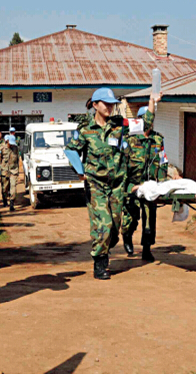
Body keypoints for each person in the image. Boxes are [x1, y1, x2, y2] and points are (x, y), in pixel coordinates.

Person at [65, 88, 144, 280]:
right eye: (106, 103)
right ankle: (100, 262)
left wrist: (152, 102)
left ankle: (105, 249)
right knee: (104, 224)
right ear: (95, 105)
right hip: (96, 185)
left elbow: (144, 124)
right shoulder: (85, 130)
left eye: (112, 104)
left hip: (117, 185)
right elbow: (71, 150)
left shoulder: (120, 125)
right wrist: (80, 171)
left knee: (115, 227)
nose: (110, 107)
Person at [121, 101, 165, 262]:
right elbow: (122, 165)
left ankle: (147, 249)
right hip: (132, 185)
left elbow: (162, 161)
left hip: (150, 185)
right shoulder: (130, 140)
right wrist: (126, 187)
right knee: (131, 217)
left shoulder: (158, 139)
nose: (149, 123)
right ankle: (127, 235)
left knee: (149, 218)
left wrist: (163, 183)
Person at [1, 135, 20, 211]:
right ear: (7, 141)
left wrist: (17, 169)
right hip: (5, 170)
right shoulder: (2, 148)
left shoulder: (16, 148)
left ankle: (12, 203)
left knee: (13, 187)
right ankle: (5, 200)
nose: (12, 145)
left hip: (13, 170)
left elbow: (17, 159)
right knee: (5, 188)